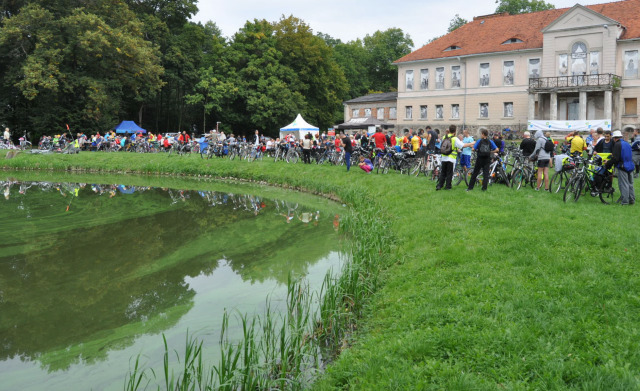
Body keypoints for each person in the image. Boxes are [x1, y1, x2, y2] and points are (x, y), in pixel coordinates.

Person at [436, 125, 474, 190]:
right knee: (449, 173)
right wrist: (471, 143)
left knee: (443, 172)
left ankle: (439, 185)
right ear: (455, 131)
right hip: (451, 158)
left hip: (444, 157)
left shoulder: (444, 136)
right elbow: (462, 145)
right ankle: (448, 186)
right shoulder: (454, 138)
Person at [605, 130, 635, 205]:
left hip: (622, 166)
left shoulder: (617, 144)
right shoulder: (627, 143)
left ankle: (625, 201)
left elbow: (615, 158)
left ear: (615, 138)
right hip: (630, 165)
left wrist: (608, 164)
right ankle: (632, 200)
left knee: (624, 184)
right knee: (630, 184)